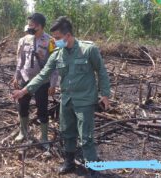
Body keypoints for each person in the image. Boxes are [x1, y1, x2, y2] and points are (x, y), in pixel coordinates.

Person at [12, 16, 110, 176]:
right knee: (67, 132)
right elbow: (43, 74)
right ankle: (69, 162)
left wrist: (105, 94)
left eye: (57, 38)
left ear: (68, 35)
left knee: (86, 135)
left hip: (84, 100)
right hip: (67, 100)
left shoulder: (88, 49)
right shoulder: (58, 53)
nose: (54, 41)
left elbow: (101, 71)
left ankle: (92, 167)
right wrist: (24, 91)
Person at [12, 13, 58, 149]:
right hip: (25, 79)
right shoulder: (24, 40)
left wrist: (53, 83)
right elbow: (20, 60)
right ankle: (23, 131)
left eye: (32, 25)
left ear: (40, 26)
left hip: (42, 82)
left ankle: (43, 138)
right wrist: (17, 76)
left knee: (42, 109)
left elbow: (54, 64)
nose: (29, 27)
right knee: (23, 106)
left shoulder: (51, 42)